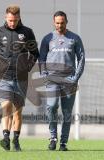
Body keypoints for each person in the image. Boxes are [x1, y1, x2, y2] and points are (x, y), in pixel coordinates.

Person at [0, 5, 39, 151]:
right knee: (6, 106)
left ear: (19, 17)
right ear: (6, 17)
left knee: (17, 112)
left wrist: (27, 67)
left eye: (15, 20)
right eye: (10, 20)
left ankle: (15, 140)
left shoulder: (27, 32)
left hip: (21, 78)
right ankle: (5, 138)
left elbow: (34, 53)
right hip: (3, 77)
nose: (12, 23)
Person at [39, 11, 85, 151]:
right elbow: (41, 58)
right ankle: (53, 138)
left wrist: (75, 77)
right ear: (54, 22)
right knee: (52, 106)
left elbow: (81, 58)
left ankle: (63, 143)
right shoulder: (47, 38)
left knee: (66, 112)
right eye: (57, 23)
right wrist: (44, 74)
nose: (60, 25)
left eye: (62, 22)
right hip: (52, 79)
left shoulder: (75, 38)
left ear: (67, 22)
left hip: (69, 80)